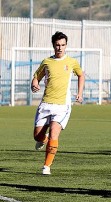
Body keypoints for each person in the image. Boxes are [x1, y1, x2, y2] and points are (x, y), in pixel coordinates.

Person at [31, 31, 85, 175]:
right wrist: (34, 84)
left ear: (66, 46)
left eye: (63, 45)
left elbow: (81, 75)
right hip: (46, 104)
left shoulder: (72, 62)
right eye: (57, 45)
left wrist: (79, 93)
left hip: (62, 106)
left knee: (54, 134)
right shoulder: (47, 62)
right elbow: (37, 76)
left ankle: (46, 166)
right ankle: (43, 140)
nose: (60, 48)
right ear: (53, 45)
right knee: (37, 136)